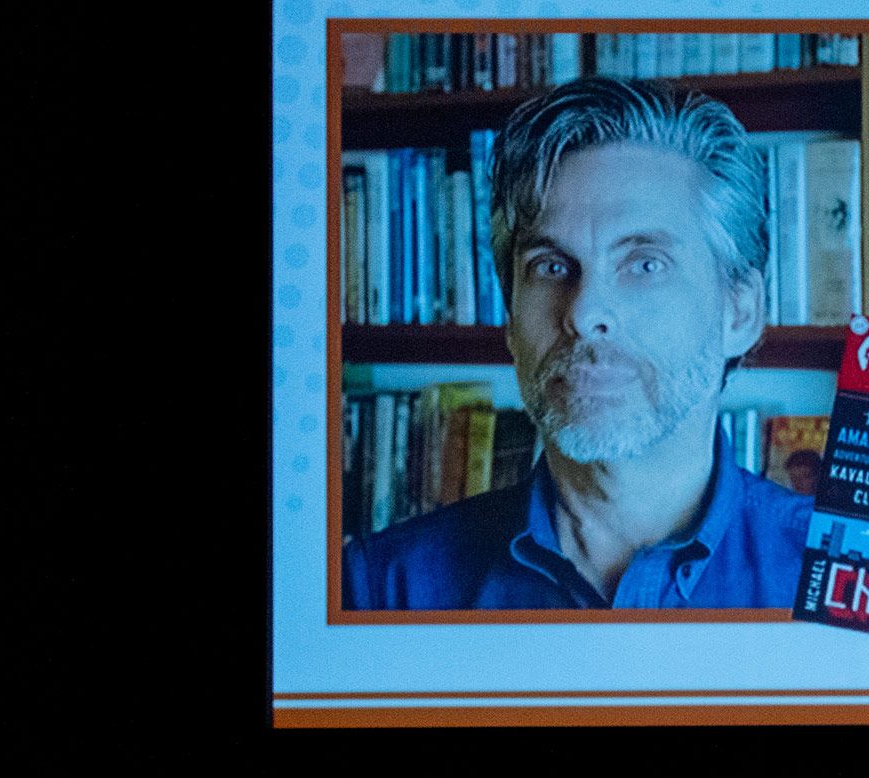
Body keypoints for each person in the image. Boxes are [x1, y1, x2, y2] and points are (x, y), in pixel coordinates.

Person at [344, 77, 809, 609]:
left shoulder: (844, 591)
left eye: (645, 264)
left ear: (740, 310)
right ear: (511, 320)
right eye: (550, 266)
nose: (585, 313)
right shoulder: (382, 589)